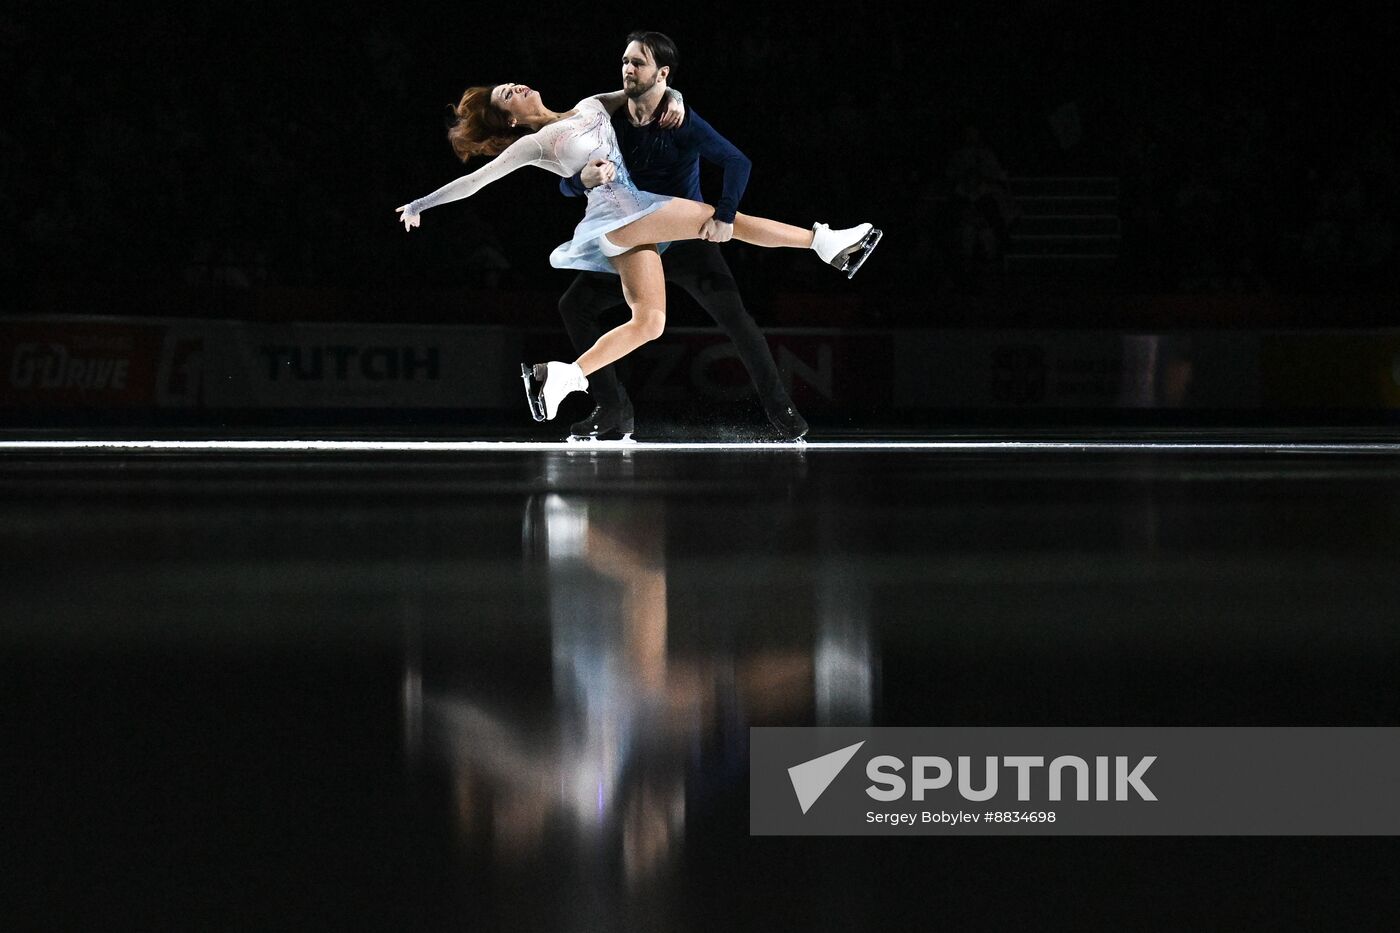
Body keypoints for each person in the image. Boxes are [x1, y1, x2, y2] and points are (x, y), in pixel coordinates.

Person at [396, 76, 881, 430]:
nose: (517, 87)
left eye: (512, 84)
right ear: (509, 119)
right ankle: (826, 243)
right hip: (618, 215)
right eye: (508, 96)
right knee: (715, 217)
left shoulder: (588, 104)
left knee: (649, 322)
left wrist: (676, 96)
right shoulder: (537, 143)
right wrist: (421, 203)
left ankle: (561, 377)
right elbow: (475, 182)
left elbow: (641, 92)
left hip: (632, 213)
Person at [557, 32, 808, 441]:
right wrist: (578, 181)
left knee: (737, 320)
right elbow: (565, 177)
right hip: (637, 246)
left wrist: (725, 214)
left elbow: (737, 161)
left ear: (662, 73)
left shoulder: (680, 118)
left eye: (638, 63)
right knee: (575, 306)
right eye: (625, 60)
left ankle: (782, 413)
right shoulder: (605, 120)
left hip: (687, 243)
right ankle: (612, 409)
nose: (627, 68)